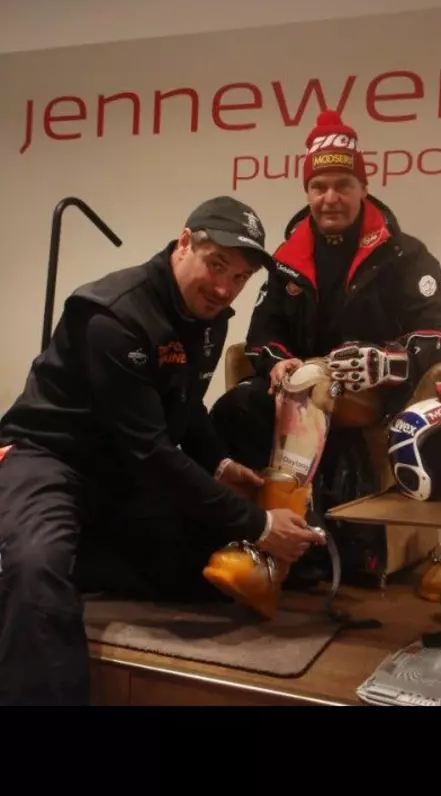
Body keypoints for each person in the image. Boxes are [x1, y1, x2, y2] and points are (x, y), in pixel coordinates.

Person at [0, 195, 319, 706]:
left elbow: (185, 405)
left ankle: (80, 557)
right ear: (185, 242)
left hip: (121, 472)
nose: (224, 288)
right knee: (37, 573)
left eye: (240, 278)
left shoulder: (209, 315)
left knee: (206, 571)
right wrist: (259, 524)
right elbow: (150, 451)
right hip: (49, 457)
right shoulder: (113, 316)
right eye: (217, 265)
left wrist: (220, 463)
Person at [209, 111, 441, 565]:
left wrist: (388, 360)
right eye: (319, 186)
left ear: (363, 187)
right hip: (299, 386)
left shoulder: (404, 254)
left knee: (311, 389)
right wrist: (277, 363)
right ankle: (235, 532)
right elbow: (261, 335)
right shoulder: (287, 258)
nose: (330, 198)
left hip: (376, 394)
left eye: (343, 185)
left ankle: (283, 560)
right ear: (307, 191)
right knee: (234, 407)